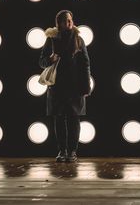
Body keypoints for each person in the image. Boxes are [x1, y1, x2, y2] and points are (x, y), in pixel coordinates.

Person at [39, 10, 91, 163]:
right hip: (57, 87)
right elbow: (41, 61)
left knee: (74, 120)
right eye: (64, 21)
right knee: (59, 120)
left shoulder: (79, 40)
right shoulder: (52, 40)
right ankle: (62, 151)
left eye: (69, 20)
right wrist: (50, 59)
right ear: (59, 23)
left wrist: (86, 86)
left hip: (75, 87)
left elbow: (85, 64)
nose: (68, 23)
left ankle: (73, 152)